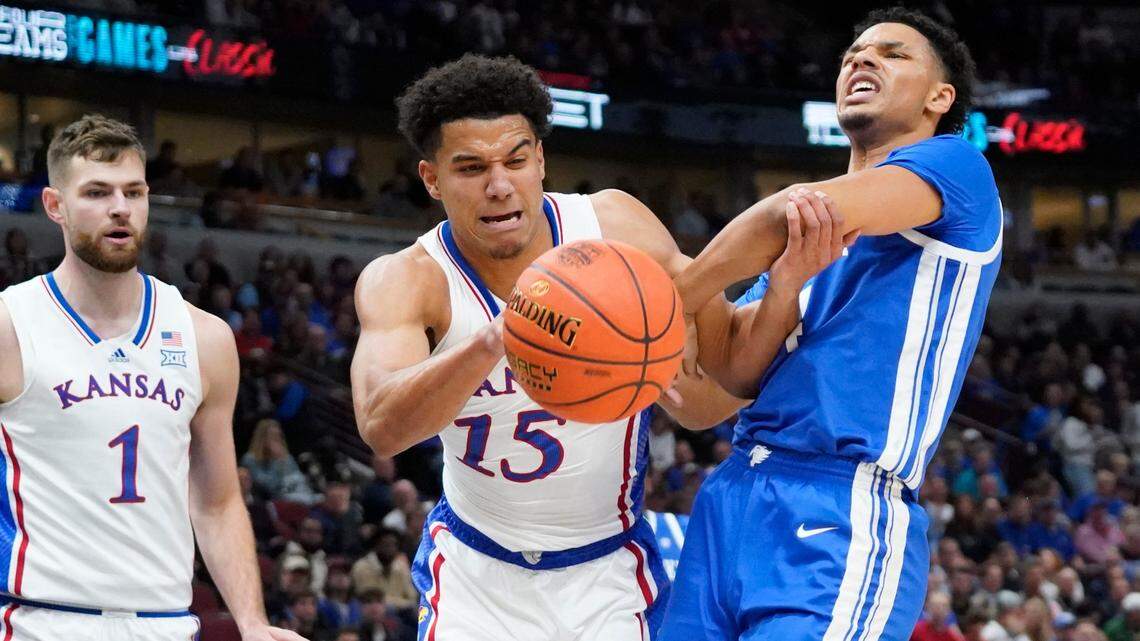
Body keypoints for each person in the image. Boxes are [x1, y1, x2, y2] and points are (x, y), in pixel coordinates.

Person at [350, 54, 842, 641]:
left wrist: (784, 285)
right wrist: (497, 338)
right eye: (471, 168)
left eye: (516, 160)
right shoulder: (408, 279)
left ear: (541, 160)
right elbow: (381, 426)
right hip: (475, 572)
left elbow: (706, 404)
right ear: (431, 179)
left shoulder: (613, 228)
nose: (500, 185)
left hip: (610, 571)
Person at [665, 8, 1000, 641]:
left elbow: (787, 211)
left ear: (940, 97)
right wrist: (779, 285)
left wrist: (676, 296)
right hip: (733, 493)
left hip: (841, 505)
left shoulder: (957, 166)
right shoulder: (802, 251)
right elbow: (723, 387)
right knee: (647, 240)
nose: (861, 60)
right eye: (853, 53)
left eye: (893, 54)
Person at [0, 114, 304, 640]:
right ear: (55, 206)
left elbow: (217, 500)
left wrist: (253, 623)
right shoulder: (10, 325)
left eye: (133, 192)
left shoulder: (203, 337)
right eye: (97, 192)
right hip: (39, 619)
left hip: (164, 622)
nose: (119, 208)